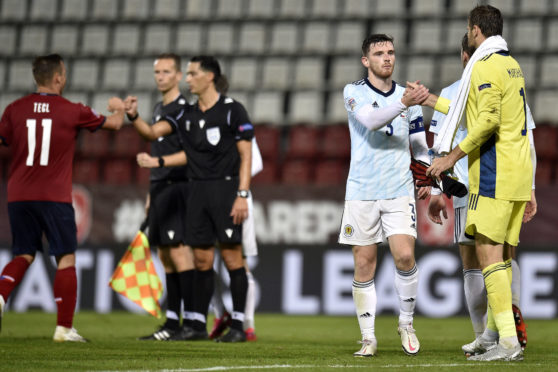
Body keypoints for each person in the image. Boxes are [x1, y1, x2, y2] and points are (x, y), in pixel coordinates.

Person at [426, 5, 532, 361]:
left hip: (493, 173)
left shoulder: (484, 66)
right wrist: (430, 99)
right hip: (517, 173)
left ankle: (507, 343)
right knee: (500, 255)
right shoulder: (511, 64)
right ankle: (493, 335)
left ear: (474, 31)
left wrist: (450, 157)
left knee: (487, 255)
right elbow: (470, 111)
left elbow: (485, 122)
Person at [0, 54, 125, 342]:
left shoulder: (14, 109)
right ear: (58, 78)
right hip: (53, 196)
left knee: (23, 254)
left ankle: (1, 295)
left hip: (18, 195)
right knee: (65, 258)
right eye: (64, 74)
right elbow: (115, 125)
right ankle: (64, 328)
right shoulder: (72, 110)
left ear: (36, 78)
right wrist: (120, 109)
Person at [128, 55, 253, 343]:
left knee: (233, 258)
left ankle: (238, 326)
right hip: (196, 192)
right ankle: (196, 324)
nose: (187, 79)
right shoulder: (187, 115)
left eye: (192, 74)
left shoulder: (233, 110)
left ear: (209, 77)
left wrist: (242, 194)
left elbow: (246, 155)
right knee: (201, 258)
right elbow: (158, 136)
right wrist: (135, 119)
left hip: (225, 190)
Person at [338, 34, 431, 358]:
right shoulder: (354, 92)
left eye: (390, 52)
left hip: (398, 189)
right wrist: (404, 103)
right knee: (364, 264)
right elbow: (371, 121)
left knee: (405, 256)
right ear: (366, 60)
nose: (386, 58)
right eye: (379, 53)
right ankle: (368, 338)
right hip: (361, 190)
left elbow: (419, 144)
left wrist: (427, 179)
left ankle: (406, 323)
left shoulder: (410, 100)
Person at [130, 54, 196, 341]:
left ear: (179, 76)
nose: (160, 77)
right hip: (159, 189)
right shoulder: (159, 107)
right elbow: (157, 152)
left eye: (167, 72)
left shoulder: (183, 110)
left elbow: (190, 155)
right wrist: (150, 191)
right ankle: (171, 321)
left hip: (178, 188)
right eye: (157, 71)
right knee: (166, 256)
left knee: (180, 253)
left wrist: (132, 116)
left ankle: (191, 321)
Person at [209, 135, 263, 342]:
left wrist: (230, 180)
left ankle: (247, 324)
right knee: (201, 259)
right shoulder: (199, 120)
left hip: (237, 199)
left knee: (240, 261)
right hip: (205, 198)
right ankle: (220, 314)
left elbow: (255, 162)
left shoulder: (236, 121)